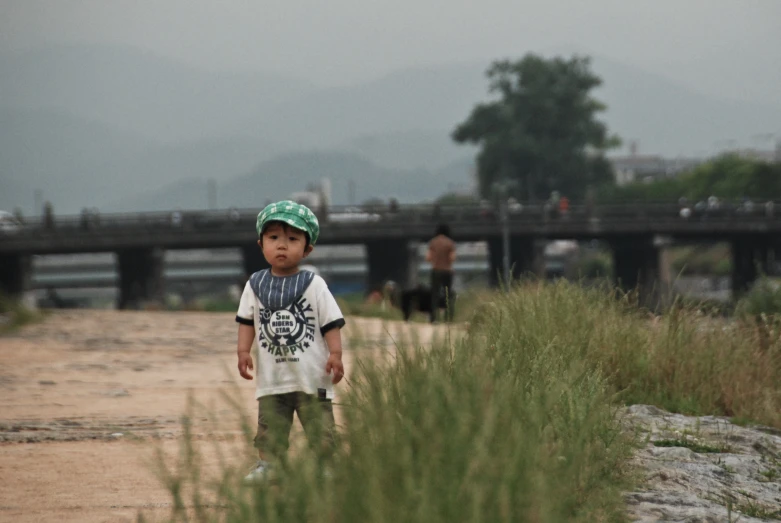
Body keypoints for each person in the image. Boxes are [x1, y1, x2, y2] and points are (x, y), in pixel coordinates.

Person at [235, 200, 346, 483]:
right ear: (261, 244)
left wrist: (335, 353)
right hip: (273, 376)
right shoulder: (254, 285)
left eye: (292, 239)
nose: (282, 246)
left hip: (312, 374)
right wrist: (243, 351)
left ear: (307, 249)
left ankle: (326, 466)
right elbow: (246, 321)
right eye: (274, 238)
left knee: (320, 425)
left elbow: (330, 322)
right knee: (270, 425)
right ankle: (269, 467)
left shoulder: (314, 285)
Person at [425, 223, 456, 323]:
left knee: (434, 295)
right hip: (447, 271)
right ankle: (449, 318)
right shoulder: (450, 243)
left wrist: (436, 260)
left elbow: (428, 258)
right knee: (448, 294)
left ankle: (433, 318)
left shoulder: (433, 243)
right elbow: (452, 258)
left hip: (436, 271)